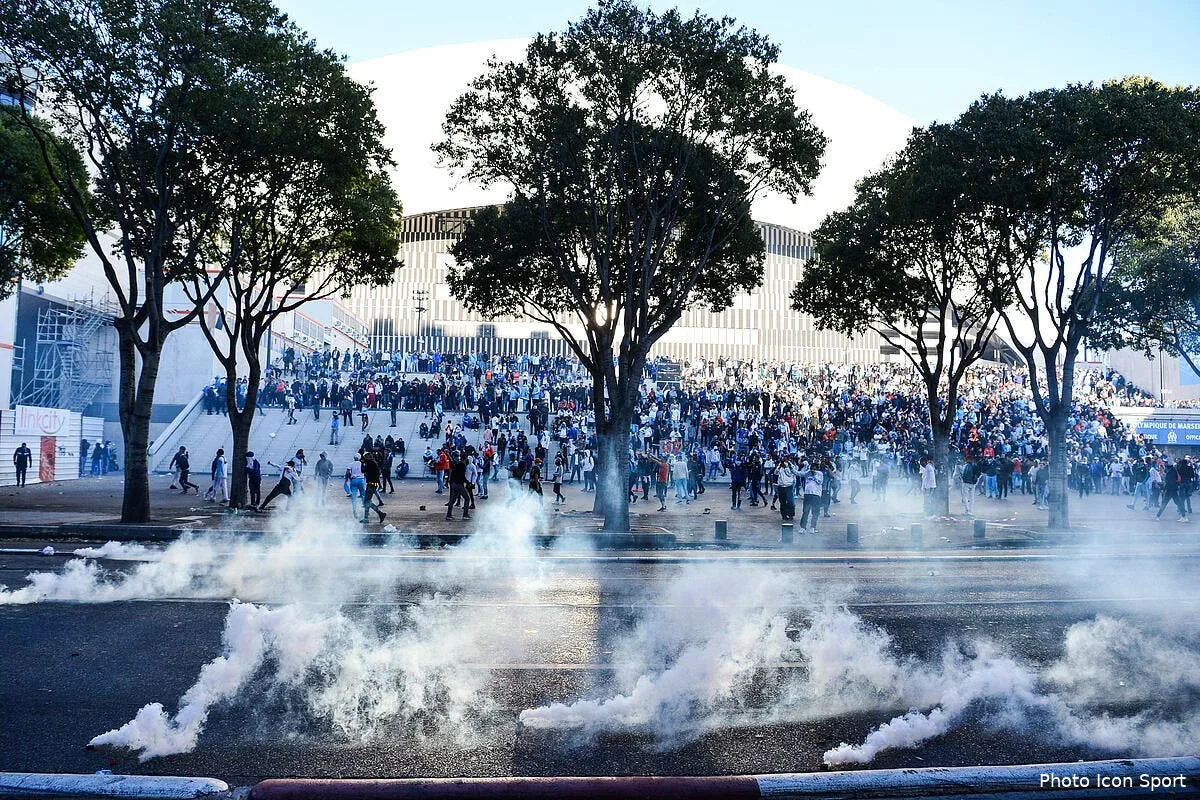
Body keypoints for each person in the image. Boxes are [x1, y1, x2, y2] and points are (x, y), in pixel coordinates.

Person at [360, 453, 387, 525]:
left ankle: (380, 514)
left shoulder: (370, 463)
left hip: (371, 484)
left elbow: (363, 470)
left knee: (367, 501)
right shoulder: (373, 463)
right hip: (373, 484)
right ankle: (366, 518)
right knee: (367, 502)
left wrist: (362, 464)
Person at [445, 451, 471, 519]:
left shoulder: (457, 464)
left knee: (452, 500)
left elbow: (452, 466)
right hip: (459, 484)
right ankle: (465, 515)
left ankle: (448, 515)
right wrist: (467, 482)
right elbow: (462, 476)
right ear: (465, 459)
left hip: (454, 483)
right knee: (467, 498)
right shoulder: (462, 465)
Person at [345, 454, 366, 518]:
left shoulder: (350, 464)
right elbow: (365, 472)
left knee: (354, 497)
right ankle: (365, 509)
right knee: (363, 495)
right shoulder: (362, 464)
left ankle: (354, 511)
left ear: (354, 458)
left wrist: (350, 478)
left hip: (353, 480)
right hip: (361, 480)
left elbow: (347, 472)